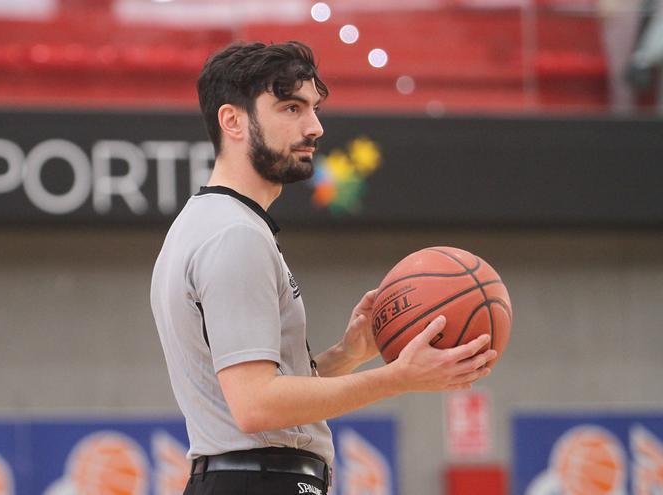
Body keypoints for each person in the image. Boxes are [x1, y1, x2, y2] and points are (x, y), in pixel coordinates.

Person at [150, 41, 497, 495]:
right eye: (290, 108)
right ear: (232, 120)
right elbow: (256, 407)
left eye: (313, 108)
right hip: (258, 481)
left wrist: (348, 355)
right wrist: (399, 378)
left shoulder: (207, 223)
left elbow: (262, 399)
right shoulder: (234, 236)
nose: (314, 126)